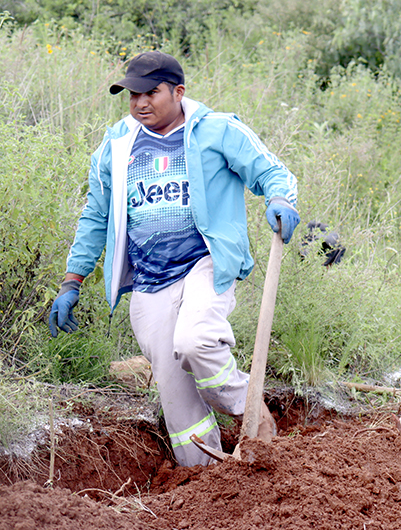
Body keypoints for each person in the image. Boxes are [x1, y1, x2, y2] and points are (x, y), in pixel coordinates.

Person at [47, 51, 300, 467]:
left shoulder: (217, 130)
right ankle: (203, 479)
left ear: (178, 92)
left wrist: (280, 199)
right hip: (148, 281)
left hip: (205, 264)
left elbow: (271, 172)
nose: (140, 103)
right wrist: (72, 281)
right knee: (176, 396)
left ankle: (250, 411)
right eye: (133, 95)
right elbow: (95, 215)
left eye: (151, 93)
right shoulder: (117, 146)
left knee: (196, 342)